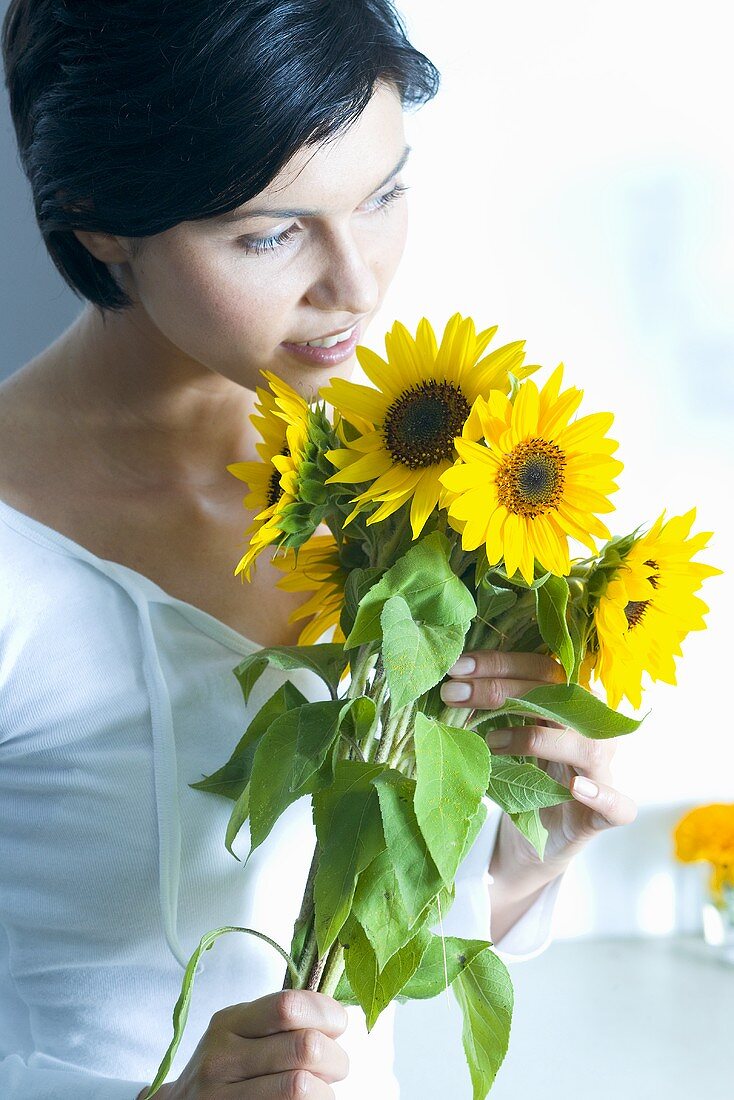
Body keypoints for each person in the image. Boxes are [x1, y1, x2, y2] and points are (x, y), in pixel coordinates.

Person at [0, 1, 638, 1097]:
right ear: (100, 218)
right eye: (268, 232)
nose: (357, 283)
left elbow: (362, 936)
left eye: (383, 193)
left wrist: (531, 854)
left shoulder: (404, 476)